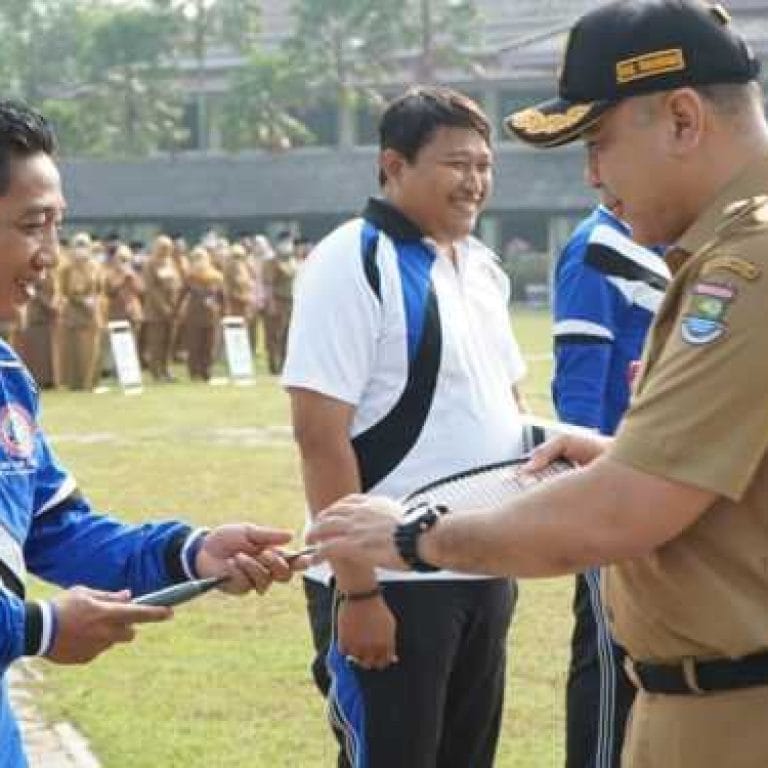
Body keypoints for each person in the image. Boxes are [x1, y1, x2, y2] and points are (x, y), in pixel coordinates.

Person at [307, 3, 768, 767]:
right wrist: (622, 455)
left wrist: (414, 536)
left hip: (736, 714)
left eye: (599, 143)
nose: (593, 177)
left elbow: (621, 514)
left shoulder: (746, 270)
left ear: (683, 120)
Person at [0, 98, 305, 768]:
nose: (50, 255)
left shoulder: (7, 378)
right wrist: (38, 628)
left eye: (57, 226)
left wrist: (191, 554)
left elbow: (56, 529)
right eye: (32, 226)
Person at [283, 86, 528, 768]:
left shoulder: (481, 266)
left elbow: (507, 403)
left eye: (484, 165)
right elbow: (319, 438)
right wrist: (359, 589)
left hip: (481, 567)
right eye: (456, 164)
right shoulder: (352, 261)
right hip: (392, 582)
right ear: (394, 165)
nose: (475, 181)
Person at [552, 198, 670, 768]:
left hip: (666, 492)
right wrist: (595, 495)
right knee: (609, 659)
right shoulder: (599, 247)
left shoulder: (672, 240)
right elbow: (579, 395)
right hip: (616, 493)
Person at [58, 232, 103, 391]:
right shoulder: (67, 268)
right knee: (75, 350)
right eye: (78, 245)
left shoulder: (95, 266)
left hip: (92, 314)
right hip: (74, 313)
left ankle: (90, 382)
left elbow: (100, 288)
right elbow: (64, 290)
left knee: (92, 350)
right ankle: (75, 383)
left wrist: (94, 301)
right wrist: (80, 300)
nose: (81, 249)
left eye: (84, 245)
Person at [263, 231, 297, 375]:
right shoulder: (272, 262)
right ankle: (274, 365)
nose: (288, 245)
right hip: (278, 301)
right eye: (285, 242)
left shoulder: (293, 261)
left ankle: (285, 364)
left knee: (288, 336)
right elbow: (268, 284)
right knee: (275, 335)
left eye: (290, 242)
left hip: (291, 302)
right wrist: (270, 303)